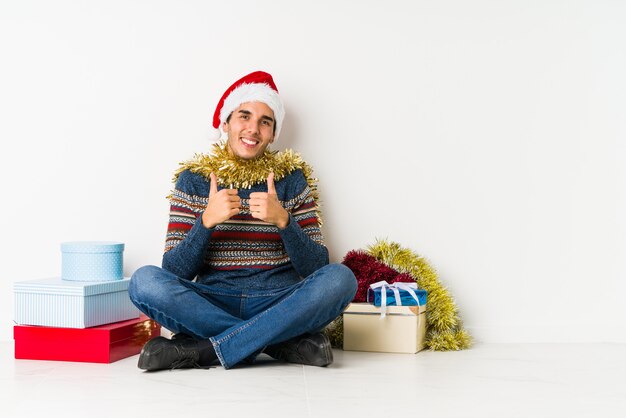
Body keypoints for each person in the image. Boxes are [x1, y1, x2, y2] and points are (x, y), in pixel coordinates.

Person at [129, 70, 357, 371]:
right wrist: (206, 222)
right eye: (244, 116)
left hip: (278, 299)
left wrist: (284, 221)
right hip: (212, 301)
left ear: (274, 133)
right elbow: (174, 271)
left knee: (341, 279)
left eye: (266, 121)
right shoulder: (194, 180)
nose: (253, 129)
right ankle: (278, 342)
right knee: (143, 281)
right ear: (226, 123)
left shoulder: (291, 179)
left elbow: (316, 267)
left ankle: (205, 350)